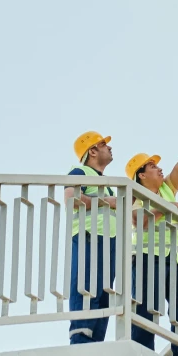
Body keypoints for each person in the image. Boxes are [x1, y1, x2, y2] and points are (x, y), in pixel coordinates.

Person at [125, 117, 178, 356]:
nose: (159, 168)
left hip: (174, 259)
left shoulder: (167, 188)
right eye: (152, 166)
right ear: (141, 175)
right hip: (147, 257)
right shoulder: (136, 195)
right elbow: (139, 220)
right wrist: (167, 208)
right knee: (146, 308)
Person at [67, 130, 120, 343]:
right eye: (104, 144)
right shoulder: (80, 170)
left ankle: (95, 340)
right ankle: (80, 337)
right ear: (93, 150)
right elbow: (72, 197)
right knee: (87, 285)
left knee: (103, 291)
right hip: (90, 235)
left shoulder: (103, 181)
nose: (110, 147)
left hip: (108, 239)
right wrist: (109, 202)